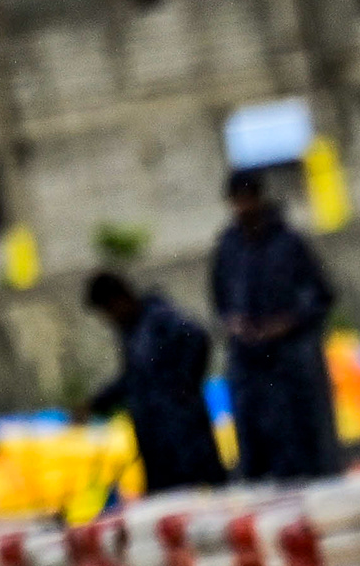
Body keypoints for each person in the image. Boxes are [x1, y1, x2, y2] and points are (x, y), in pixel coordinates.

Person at [210, 168, 345, 483]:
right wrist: (236, 325)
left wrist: (286, 324)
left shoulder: (288, 243)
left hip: (290, 362)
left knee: (303, 443)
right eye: (237, 201)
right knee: (258, 450)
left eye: (247, 199)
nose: (243, 207)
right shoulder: (229, 248)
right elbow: (220, 301)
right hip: (249, 362)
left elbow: (320, 297)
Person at [82, 268, 226, 493]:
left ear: (118, 299)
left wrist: (183, 387)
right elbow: (133, 379)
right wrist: (95, 404)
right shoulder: (131, 331)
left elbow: (198, 338)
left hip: (184, 438)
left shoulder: (159, 318)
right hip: (156, 442)